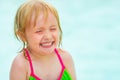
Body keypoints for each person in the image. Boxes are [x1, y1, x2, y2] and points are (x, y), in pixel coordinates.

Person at [10, 0, 76, 80]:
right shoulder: (21, 65)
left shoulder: (66, 58)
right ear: (23, 36)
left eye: (53, 29)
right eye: (39, 31)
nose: (48, 36)